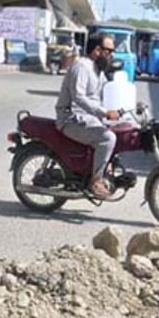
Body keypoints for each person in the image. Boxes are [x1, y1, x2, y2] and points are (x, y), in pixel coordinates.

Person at [56, 32, 120, 199]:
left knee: (119, 131)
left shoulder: (98, 70)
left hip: (87, 118)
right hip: (71, 119)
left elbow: (108, 93)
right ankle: (96, 181)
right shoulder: (82, 67)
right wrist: (104, 113)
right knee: (107, 138)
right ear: (97, 50)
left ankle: (105, 168)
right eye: (109, 51)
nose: (111, 55)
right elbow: (79, 97)